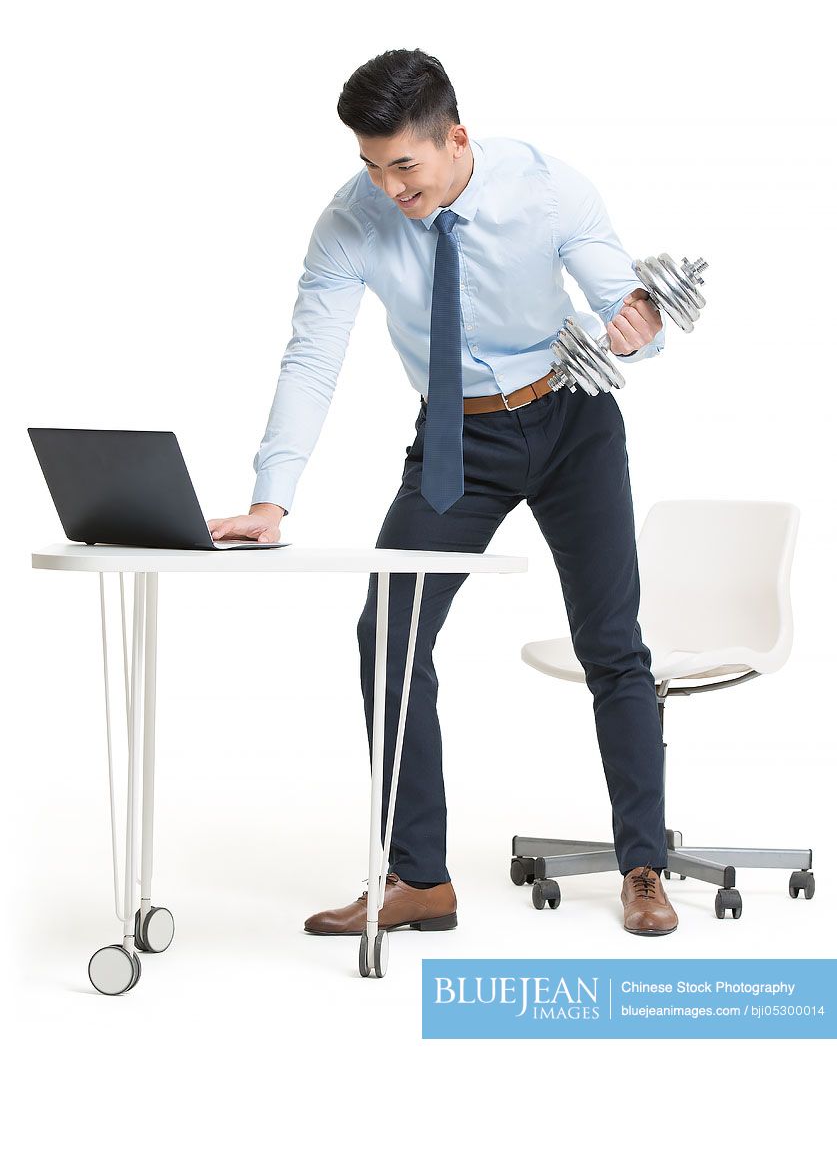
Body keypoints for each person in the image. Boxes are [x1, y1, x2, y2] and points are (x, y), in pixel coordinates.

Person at [208, 47, 678, 938]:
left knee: (612, 643)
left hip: (570, 412)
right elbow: (313, 354)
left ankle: (643, 865)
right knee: (388, 631)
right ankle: (416, 877)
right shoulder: (350, 222)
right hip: (458, 437)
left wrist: (638, 327)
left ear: (454, 138)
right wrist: (273, 496)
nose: (388, 186)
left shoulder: (544, 186)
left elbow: (627, 303)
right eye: (370, 165)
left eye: (404, 165)